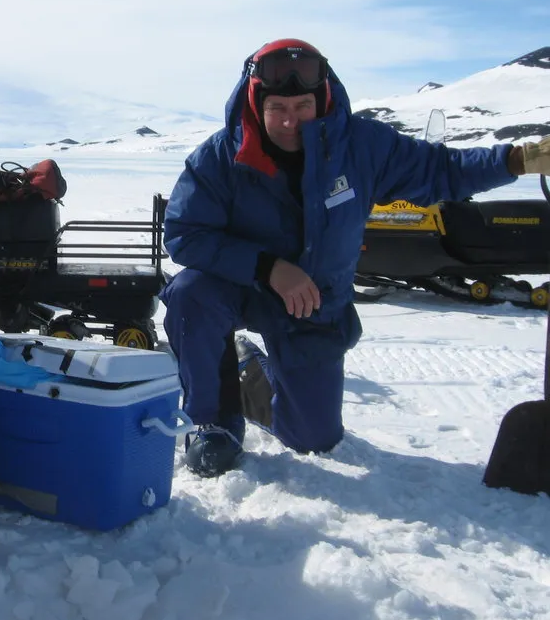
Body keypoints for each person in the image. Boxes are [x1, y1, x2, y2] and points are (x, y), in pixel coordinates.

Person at [161, 38, 550, 478]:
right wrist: (268, 267)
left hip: (314, 304)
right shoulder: (219, 157)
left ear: (322, 99)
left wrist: (520, 158)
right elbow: (183, 233)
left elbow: (442, 170)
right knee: (191, 293)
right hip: (243, 287)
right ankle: (212, 421)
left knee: (313, 439)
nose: (290, 121)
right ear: (256, 102)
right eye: (277, 109)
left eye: (302, 106)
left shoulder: (361, 147)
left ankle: (250, 370)